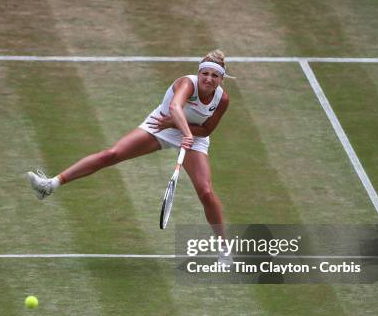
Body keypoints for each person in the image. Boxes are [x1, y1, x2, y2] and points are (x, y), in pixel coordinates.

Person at [27, 49, 231, 254]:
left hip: (193, 136)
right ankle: (50, 184)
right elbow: (176, 107)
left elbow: (206, 130)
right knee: (112, 154)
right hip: (160, 124)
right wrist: (181, 129)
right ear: (199, 73)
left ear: (221, 79)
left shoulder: (222, 100)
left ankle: (224, 249)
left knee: (205, 192)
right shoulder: (187, 83)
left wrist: (183, 130)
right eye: (205, 73)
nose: (208, 79)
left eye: (214, 75)